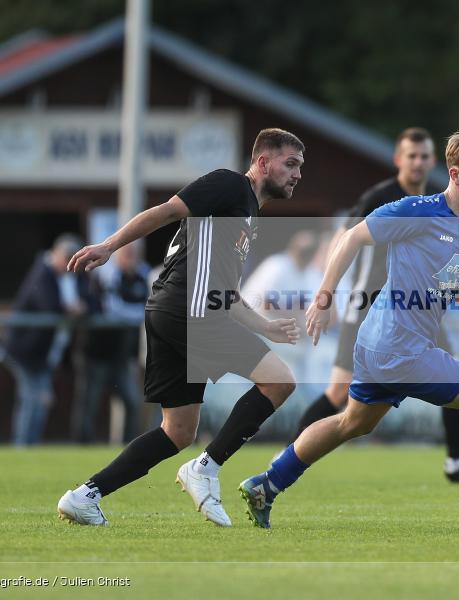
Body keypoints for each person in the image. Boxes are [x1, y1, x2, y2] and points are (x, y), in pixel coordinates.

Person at [238, 129, 459, 529]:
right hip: (401, 349)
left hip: (386, 345)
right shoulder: (418, 210)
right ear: (454, 173)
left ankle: (266, 484)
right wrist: (324, 297)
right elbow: (349, 238)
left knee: (353, 422)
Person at [57, 128, 304, 527]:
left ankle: (84, 496)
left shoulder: (246, 213)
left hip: (173, 311)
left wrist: (267, 328)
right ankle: (205, 469)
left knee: (177, 431)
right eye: (290, 164)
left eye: (300, 168)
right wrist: (110, 246)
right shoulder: (228, 184)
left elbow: (227, 291)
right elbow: (167, 210)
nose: (296, 174)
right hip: (191, 310)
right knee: (280, 382)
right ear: (262, 162)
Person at [291, 127, 459, 481]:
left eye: (424, 156)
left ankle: (455, 461)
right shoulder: (382, 197)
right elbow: (345, 239)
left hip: (418, 311)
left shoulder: (435, 204)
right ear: (398, 160)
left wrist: (451, 287)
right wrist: (326, 294)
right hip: (367, 307)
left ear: (434, 161)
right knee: (339, 392)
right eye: (411, 156)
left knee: (458, 376)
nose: (418, 162)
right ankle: (290, 456)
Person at [4, 234, 94, 445]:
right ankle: (23, 447)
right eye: (66, 257)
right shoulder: (42, 273)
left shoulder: (74, 276)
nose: (68, 263)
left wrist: (81, 308)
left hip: (45, 353)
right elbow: (49, 305)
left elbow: (92, 302)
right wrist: (73, 309)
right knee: (34, 399)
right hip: (26, 351)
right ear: (55, 254)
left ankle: (27, 445)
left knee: (40, 399)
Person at [72, 243, 149, 443]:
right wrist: (137, 315)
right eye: (127, 255)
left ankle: (129, 447)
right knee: (90, 403)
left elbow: (150, 307)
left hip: (121, 356)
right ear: (118, 257)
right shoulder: (107, 276)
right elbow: (113, 309)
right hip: (97, 353)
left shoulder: (143, 276)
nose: (131, 259)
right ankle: (82, 446)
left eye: (134, 255)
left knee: (132, 402)